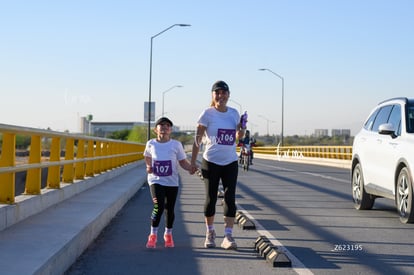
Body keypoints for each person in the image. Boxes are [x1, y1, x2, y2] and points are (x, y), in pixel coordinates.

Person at [191, 80, 246, 250]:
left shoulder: (234, 113)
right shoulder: (207, 114)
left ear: (228, 95)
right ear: (213, 95)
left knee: (230, 198)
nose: (221, 96)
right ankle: (210, 232)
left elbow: (238, 137)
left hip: (230, 162)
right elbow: (197, 140)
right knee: (211, 198)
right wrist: (193, 162)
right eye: (217, 93)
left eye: (224, 93)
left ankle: (228, 236)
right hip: (211, 162)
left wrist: (242, 128)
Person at [144, 117, 195, 248]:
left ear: (171, 130)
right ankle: (153, 235)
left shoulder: (176, 145)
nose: (165, 127)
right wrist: (148, 166)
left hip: (172, 182)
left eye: (168, 125)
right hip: (155, 180)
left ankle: (168, 234)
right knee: (158, 206)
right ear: (156, 130)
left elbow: (183, 162)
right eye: (161, 125)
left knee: (169, 209)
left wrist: (191, 168)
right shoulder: (151, 143)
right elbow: (147, 156)